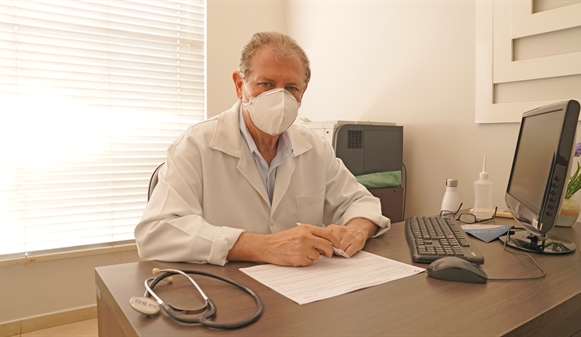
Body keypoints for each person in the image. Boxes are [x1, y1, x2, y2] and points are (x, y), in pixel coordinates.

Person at [135, 32, 390, 267]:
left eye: (291, 88)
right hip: (228, 293)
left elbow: (359, 201)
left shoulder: (314, 149)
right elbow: (156, 232)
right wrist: (261, 246)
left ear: (303, 91)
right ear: (239, 86)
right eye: (266, 84)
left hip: (301, 292)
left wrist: (358, 227)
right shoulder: (194, 146)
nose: (279, 99)